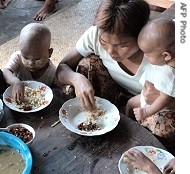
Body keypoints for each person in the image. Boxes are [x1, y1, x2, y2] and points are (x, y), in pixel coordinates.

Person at [56, 0, 155, 112]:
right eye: (104, 42)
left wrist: (133, 104)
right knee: (87, 63)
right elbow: (62, 67)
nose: (111, 51)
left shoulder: (160, 53)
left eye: (122, 45)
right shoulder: (98, 33)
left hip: (146, 104)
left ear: (143, 34)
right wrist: (77, 79)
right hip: (112, 90)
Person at [125, 18, 175, 138]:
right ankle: (127, 127)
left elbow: (164, 99)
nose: (144, 56)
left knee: (134, 107)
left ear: (166, 55)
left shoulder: (168, 73)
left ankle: (136, 134)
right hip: (147, 96)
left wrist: (146, 112)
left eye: (147, 53)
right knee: (130, 103)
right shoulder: (165, 61)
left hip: (158, 106)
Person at [3, 22, 61, 103]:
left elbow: (61, 87)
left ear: (49, 53)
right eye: (26, 57)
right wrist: (16, 82)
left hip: (37, 106)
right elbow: (5, 71)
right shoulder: (18, 57)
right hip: (14, 98)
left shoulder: (52, 72)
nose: (31, 63)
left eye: (37, 59)